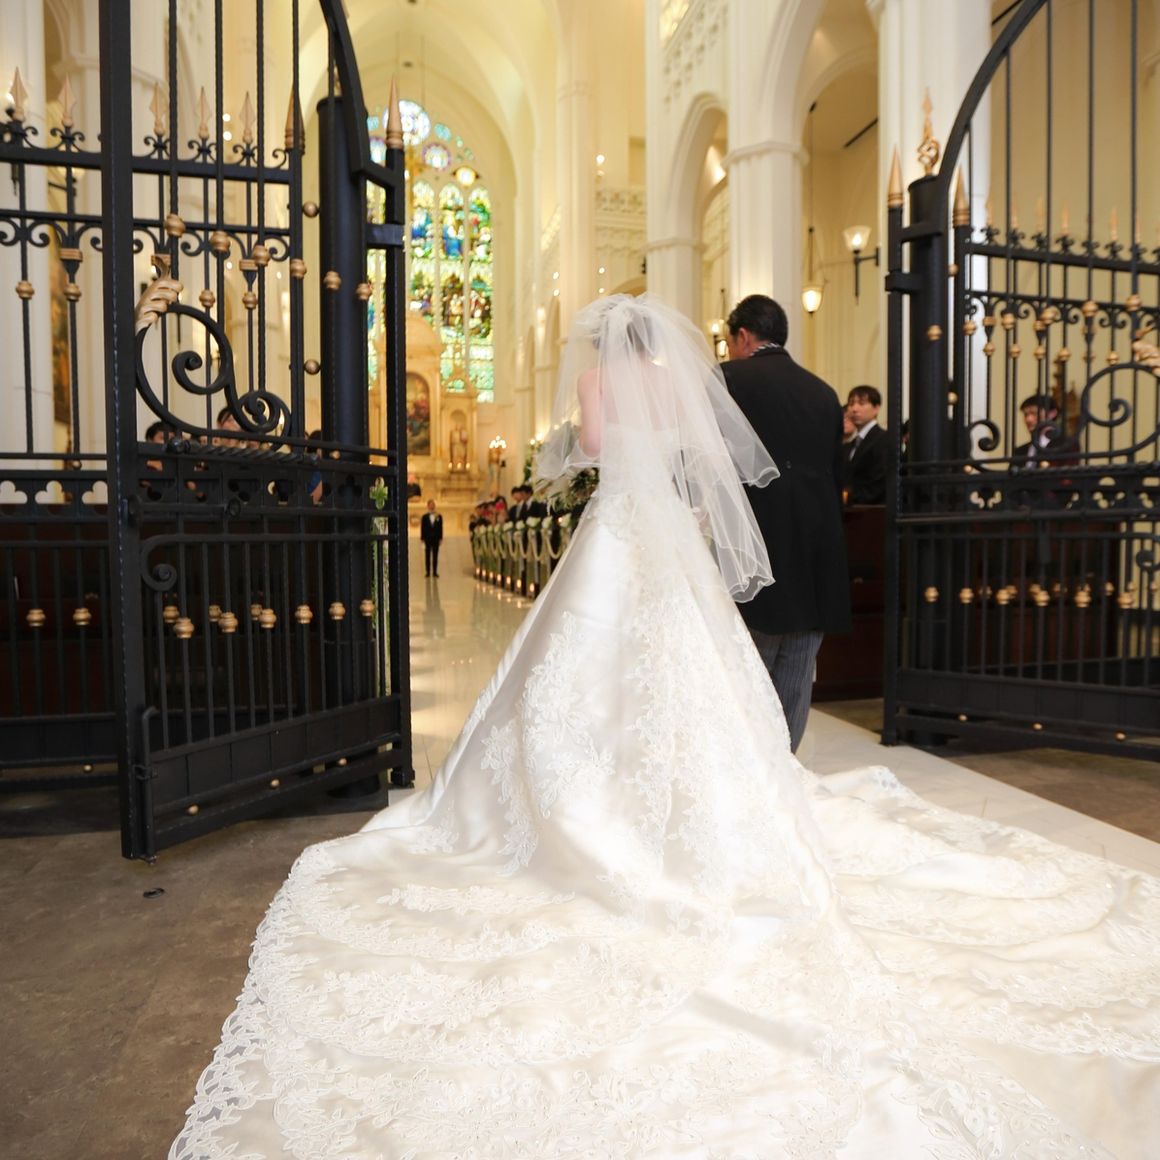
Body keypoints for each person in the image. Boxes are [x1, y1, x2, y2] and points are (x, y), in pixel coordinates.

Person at [173, 294, 1159, 1159]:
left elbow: (596, 451)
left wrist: (580, 436)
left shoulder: (601, 383)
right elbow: (700, 457)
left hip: (616, 528)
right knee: (690, 662)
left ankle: (588, 795)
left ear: (604, 343)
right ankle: (715, 779)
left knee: (585, 663)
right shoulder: (687, 382)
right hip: (668, 533)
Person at [721, 294, 851, 752]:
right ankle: (785, 768)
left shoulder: (727, 379)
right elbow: (837, 474)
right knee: (797, 666)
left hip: (756, 545)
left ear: (743, 335)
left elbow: (710, 464)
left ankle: (751, 769)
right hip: (816, 550)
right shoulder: (824, 393)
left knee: (747, 665)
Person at [843, 384, 888, 504]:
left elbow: (879, 483)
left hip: (873, 509)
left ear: (876, 408)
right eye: (851, 404)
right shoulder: (851, 444)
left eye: (861, 403)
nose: (854, 409)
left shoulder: (883, 439)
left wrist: (846, 497)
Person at [419, 498, 443, 577]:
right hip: (427, 538)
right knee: (427, 555)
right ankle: (428, 572)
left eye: (433, 505)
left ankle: (435, 572)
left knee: (435, 556)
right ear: (428, 506)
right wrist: (422, 538)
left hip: (436, 538)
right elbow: (422, 528)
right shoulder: (424, 517)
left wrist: (440, 538)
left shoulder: (439, 516)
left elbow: (440, 528)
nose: (432, 506)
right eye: (430, 505)